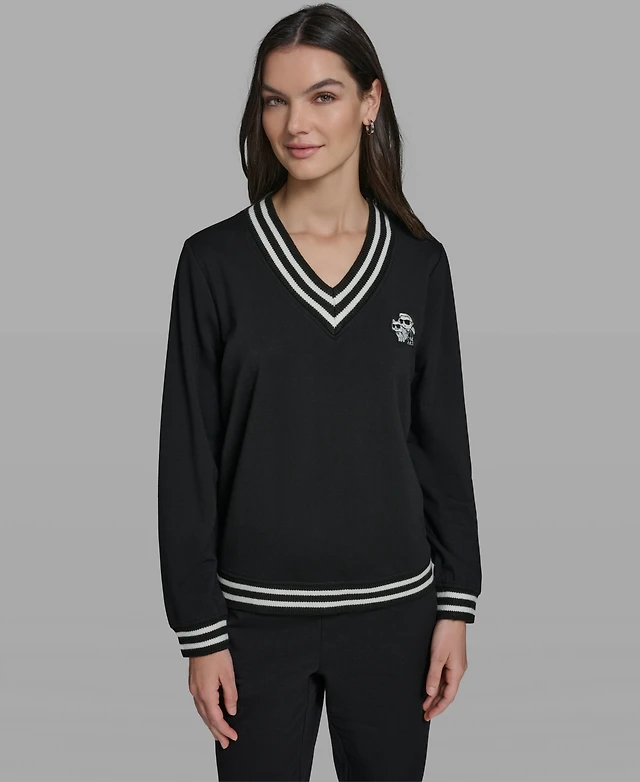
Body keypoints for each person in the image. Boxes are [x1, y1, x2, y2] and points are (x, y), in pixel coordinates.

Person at [157, 3, 482, 780]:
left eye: (322, 96)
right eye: (275, 100)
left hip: (396, 616)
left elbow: (442, 447)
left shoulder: (419, 264)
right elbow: (188, 460)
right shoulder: (213, 263)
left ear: (371, 101)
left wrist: (457, 605)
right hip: (253, 623)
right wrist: (200, 633)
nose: (295, 123)